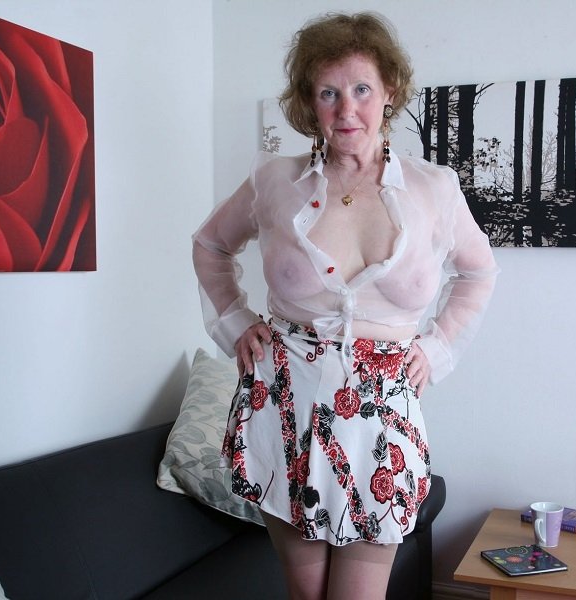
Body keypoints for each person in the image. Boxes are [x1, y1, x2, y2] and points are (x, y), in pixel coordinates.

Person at [192, 12, 498, 600]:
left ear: (390, 93)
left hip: (382, 417)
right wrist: (236, 322)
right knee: (306, 594)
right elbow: (210, 245)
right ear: (310, 102)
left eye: (361, 89)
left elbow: (479, 272)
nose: (346, 109)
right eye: (328, 92)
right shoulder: (274, 182)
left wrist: (437, 348)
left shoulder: (434, 189)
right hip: (283, 400)